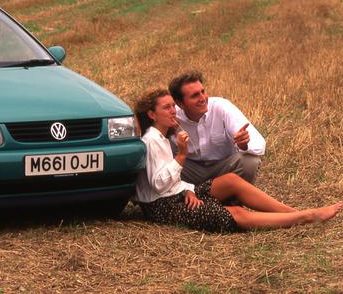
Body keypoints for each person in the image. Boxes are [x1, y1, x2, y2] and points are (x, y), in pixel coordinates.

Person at [134, 88, 342, 232]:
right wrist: (181, 155)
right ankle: (305, 217)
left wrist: (188, 189)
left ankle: (296, 213)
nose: (173, 111)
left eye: (173, 106)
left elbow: (171, 181)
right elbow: (159, 186)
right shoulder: (151, 140)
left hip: (176, 195)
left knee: (231, 180)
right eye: (166, 108)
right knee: (236, 212)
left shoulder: (163, 137)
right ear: (152, 114)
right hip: (162, 207)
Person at [168, 71, 264, 185]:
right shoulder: (172, 117)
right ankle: (187, 197)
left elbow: (259, 145)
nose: (203, 98)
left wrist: (244, 145)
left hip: (223, 168)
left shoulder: (222, 107)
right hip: (190, 170)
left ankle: (231, 199)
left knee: (250, 161)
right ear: (180, 103)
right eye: (195, 95)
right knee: (162, 166)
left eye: (203, 92)